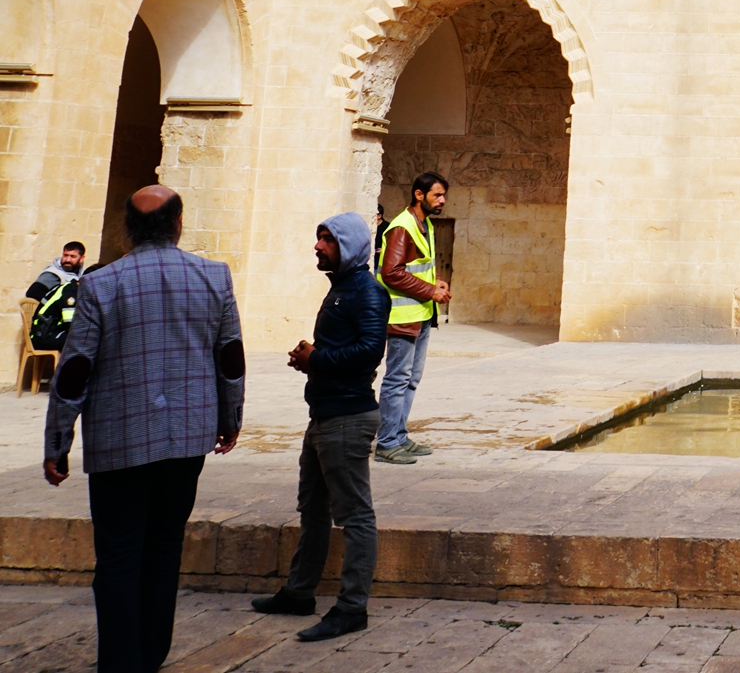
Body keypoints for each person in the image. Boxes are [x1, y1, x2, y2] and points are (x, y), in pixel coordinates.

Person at [43, 186, 244, 673]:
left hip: (120, 439)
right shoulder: (213, 277)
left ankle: (120, 661)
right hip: (187, 438)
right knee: (163, 547)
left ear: (128, 228)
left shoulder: (101, 284)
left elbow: (75, 370)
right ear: (178, 224)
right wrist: (229, 419)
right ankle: (151, 654)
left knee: (118, 554)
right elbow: (231, 357)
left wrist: (57, 441)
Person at [251, 214, 389, 642]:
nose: (318, 246)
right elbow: (344, 347)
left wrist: (318, 360)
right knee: (312, 509)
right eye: (318, 238)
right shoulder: (341, 290)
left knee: (355, 515)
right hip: (325, 414)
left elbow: (369, 352)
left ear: (348, 246)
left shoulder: (367, 292)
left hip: (347, 417)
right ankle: (299, 592)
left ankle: (351, 608)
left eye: (327, 240)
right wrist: (310, 357)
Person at [375, 173, 450, 466]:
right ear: (419, 195)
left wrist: (437, 282)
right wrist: (430, 290)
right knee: (397, 379)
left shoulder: (425, 224)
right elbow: (391, 272)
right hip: (402, 318)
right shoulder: (402, 227)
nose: (442, 200)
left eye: (443, 195)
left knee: (411, 380)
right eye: (437, 195)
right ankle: (386, 443)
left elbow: (417, 268)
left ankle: (399, 435)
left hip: (420, 315)